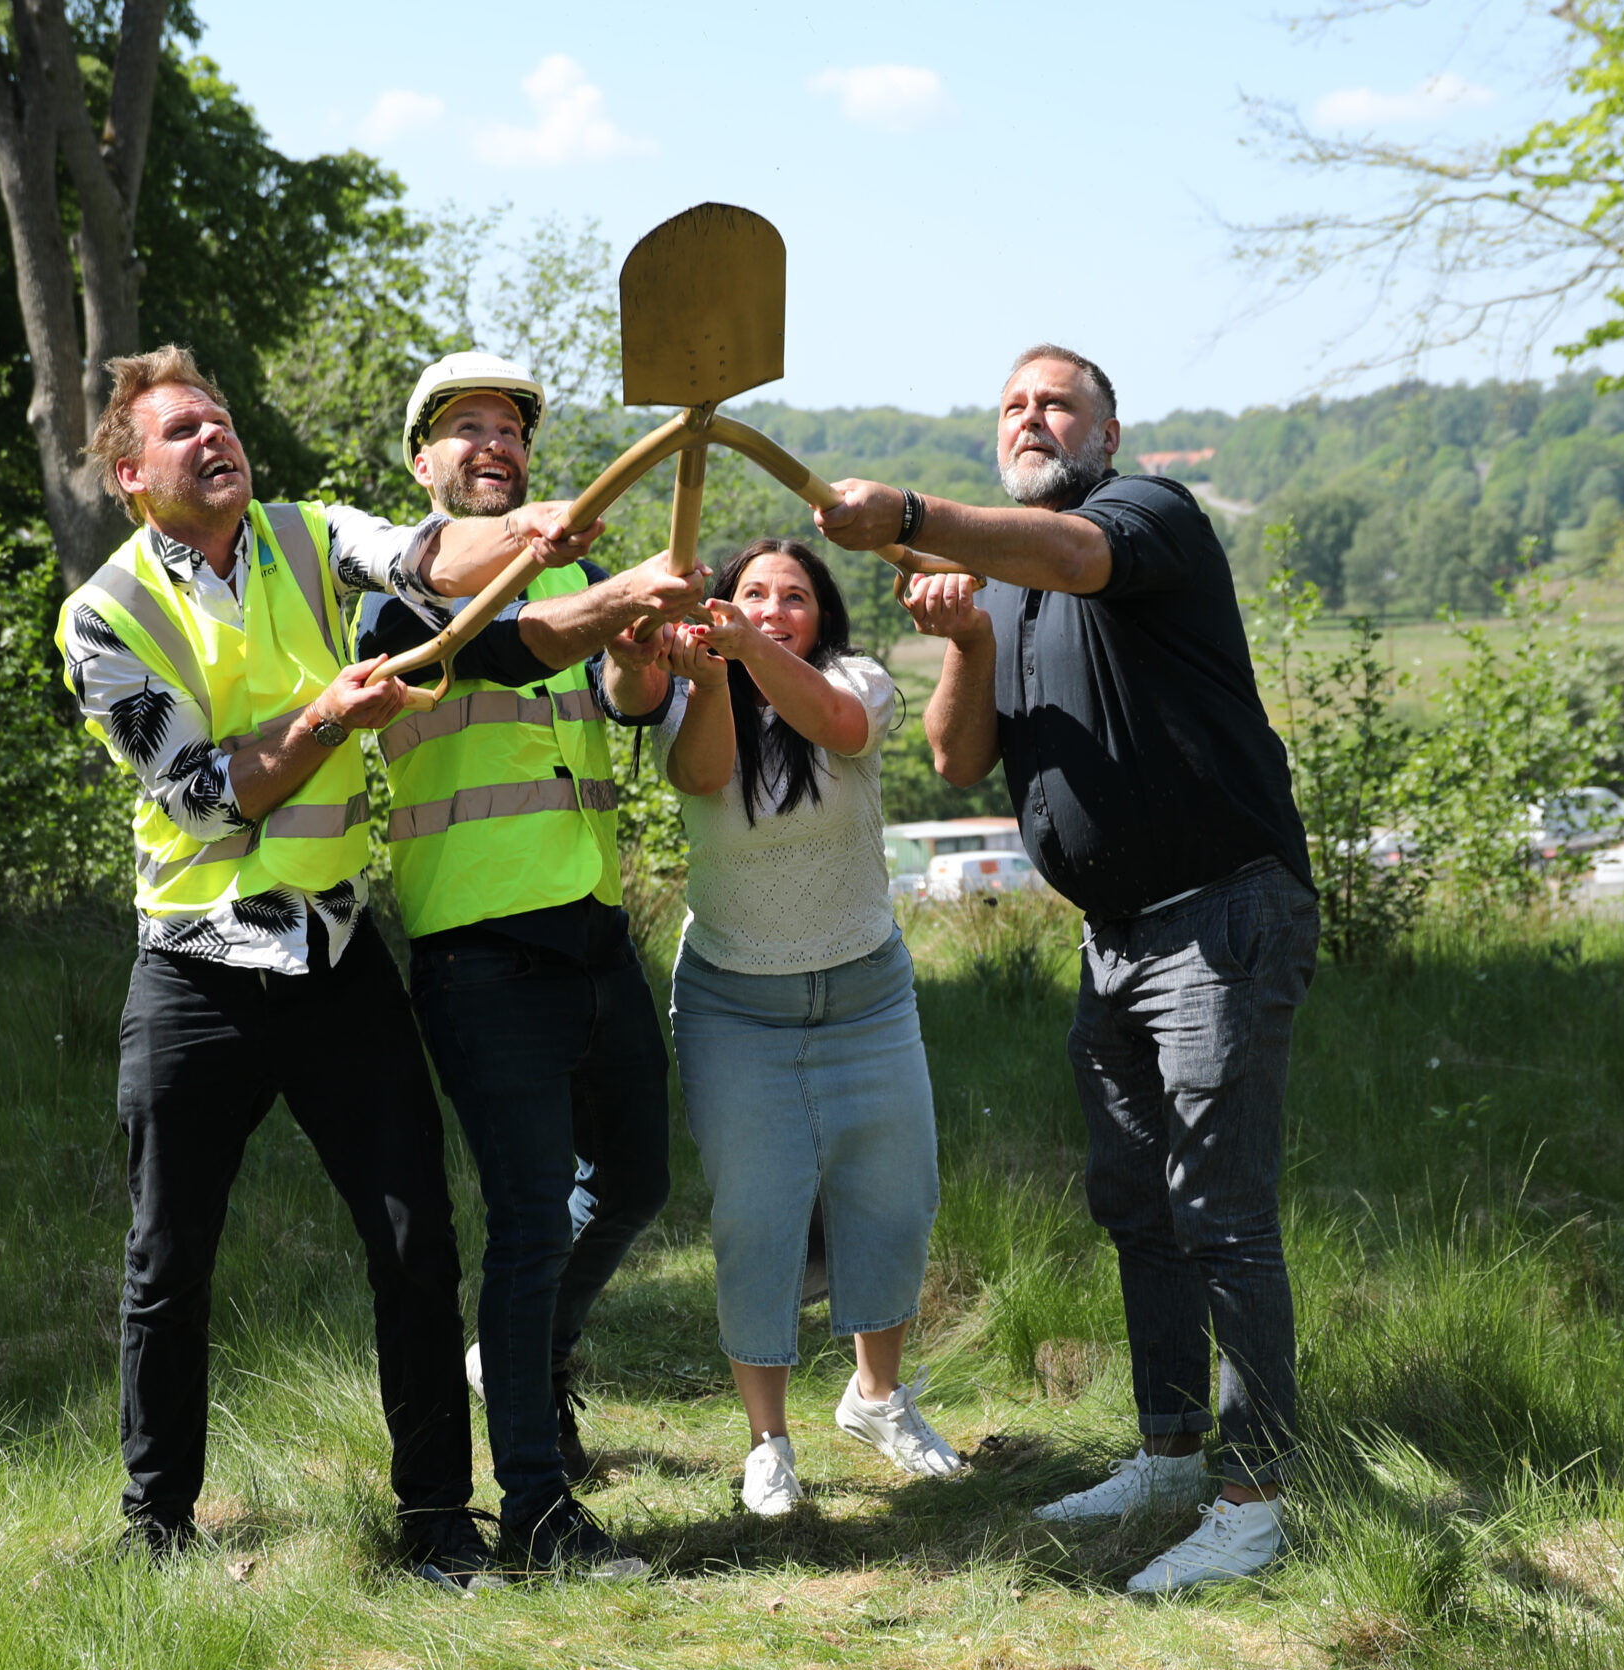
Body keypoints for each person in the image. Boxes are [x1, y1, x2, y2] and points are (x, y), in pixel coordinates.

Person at [54, 344, 599, 1590]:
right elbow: (201, 801)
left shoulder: (307, 534)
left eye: (221, 420)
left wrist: (524, 531)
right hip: (192, 973)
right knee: (165, 1265)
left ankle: (435, 1528)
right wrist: (324, 722)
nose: (215, 439)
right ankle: (156, 1529)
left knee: (416, 1246)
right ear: (135, 476)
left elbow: (419, 556)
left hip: (341, 957)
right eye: (183, 432)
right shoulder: (103, 617)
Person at [816, 344, 1320, 1595]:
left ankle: (1255, 1499)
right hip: (1111, 939)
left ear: (1104, 430)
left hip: (1219, 915)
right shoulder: (1002, 588)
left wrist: (919, 521)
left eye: (1055, 403)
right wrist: (966, 648)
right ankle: (1167, 1451)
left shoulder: (1143, 512)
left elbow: (1078, 558)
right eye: (1011, 407)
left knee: (1219, 1213)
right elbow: (954, 757)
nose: (1030, 419)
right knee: (1136, 1206)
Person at [351, 352, 703, 1579]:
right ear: (421, 462)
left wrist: (647, 639)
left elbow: (617, 695)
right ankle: (541, 1516)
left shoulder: (578, 569)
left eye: (509, 429)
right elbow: (509, 649)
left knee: (639, 1180)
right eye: (465, 431)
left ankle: (519, 1358)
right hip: (481, 954)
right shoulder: (396, 595)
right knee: (523, 1226)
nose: (493, 445)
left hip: (593, 934)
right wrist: (609, 605)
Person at [603, 538, 964, 1518]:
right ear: (719, 605)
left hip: (866, 997)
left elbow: (838, 726)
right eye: (752, 594)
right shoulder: (690, 693)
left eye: (793, 597)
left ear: (821, 615)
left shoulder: (856, 679)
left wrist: (751, 651)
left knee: (893, 1198)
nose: (772, 608)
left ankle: (877, 1400)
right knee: (755, 1216)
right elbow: (698, 772)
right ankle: (768, 1444)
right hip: (735, 1003)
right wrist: (713, 673)